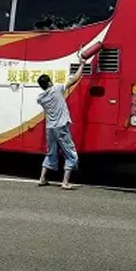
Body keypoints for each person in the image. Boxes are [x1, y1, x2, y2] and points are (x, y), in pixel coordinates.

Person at [36, 46, 93, 190]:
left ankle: (42, 178)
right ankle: (65, 182)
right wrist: (81, 64)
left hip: (50, 128)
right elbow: (74, 79)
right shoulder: (56, 89)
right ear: (49, 83)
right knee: (70, 153)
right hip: (61, 126)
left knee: (50, 152)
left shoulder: (41, 97)